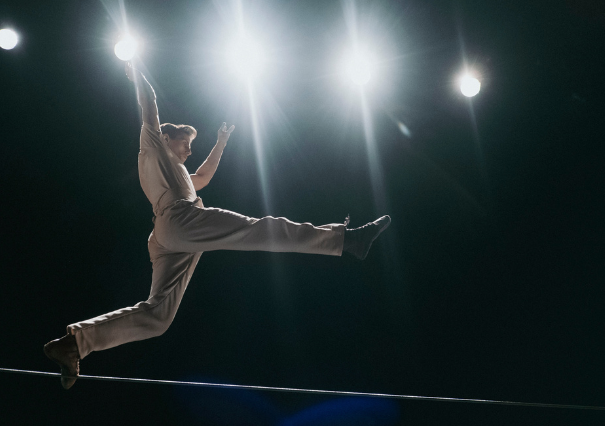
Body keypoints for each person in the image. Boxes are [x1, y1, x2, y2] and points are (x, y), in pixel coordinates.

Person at [44, 62, 390, 389]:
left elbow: (205, 176)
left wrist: (221, 141)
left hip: (167, 236)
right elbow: (148, 104)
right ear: (167, 137)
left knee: (158, 316)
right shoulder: (152, 145)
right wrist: (139, 73)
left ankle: (75, 344)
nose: (189, 151)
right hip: (181, 220)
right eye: (186, 143)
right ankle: (346, 240)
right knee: (261, 229)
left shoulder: (176, 171)